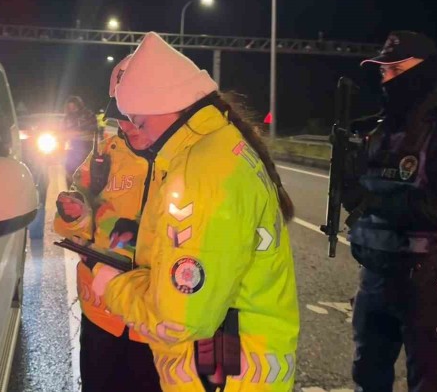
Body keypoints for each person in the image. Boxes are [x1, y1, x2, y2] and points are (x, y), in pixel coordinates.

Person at [91, 32, 300, 391]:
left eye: (138, 121)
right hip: (243, 369)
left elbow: (179, 320)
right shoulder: (224, 145)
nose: (136, 131)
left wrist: (113, 284)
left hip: (219, 376)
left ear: (162, 107)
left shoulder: (200, 173)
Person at [342, 31, 437, 392]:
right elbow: (361, 201)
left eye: (396, 70)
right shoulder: (378, 132)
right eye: (383, 72)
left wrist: (376, 202)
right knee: (368, 376)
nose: (387, 79)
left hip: (430, 279)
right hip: (375, 276)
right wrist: (349, 186)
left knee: (431, 383)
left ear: (423, 71)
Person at [54, 55, 161, 392]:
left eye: (136, 116)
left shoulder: (189, 162)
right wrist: (75, 214)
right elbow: (80, 220)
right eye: (121, 117)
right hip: (102, 314)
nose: (128, 126)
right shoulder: (105, 156)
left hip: (157, 323)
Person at [62, 95, 98, 187]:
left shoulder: (87, 114)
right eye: (70, 107)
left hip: (86, 145)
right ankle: (71, 189)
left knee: (85, 170)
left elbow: (93, 127)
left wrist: (79, 132)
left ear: (78, 105)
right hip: (72, 146)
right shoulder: (67, 118)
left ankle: (86, 190)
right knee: (69, 169)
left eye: (74, 106)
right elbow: (63, 131)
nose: (72, 109)